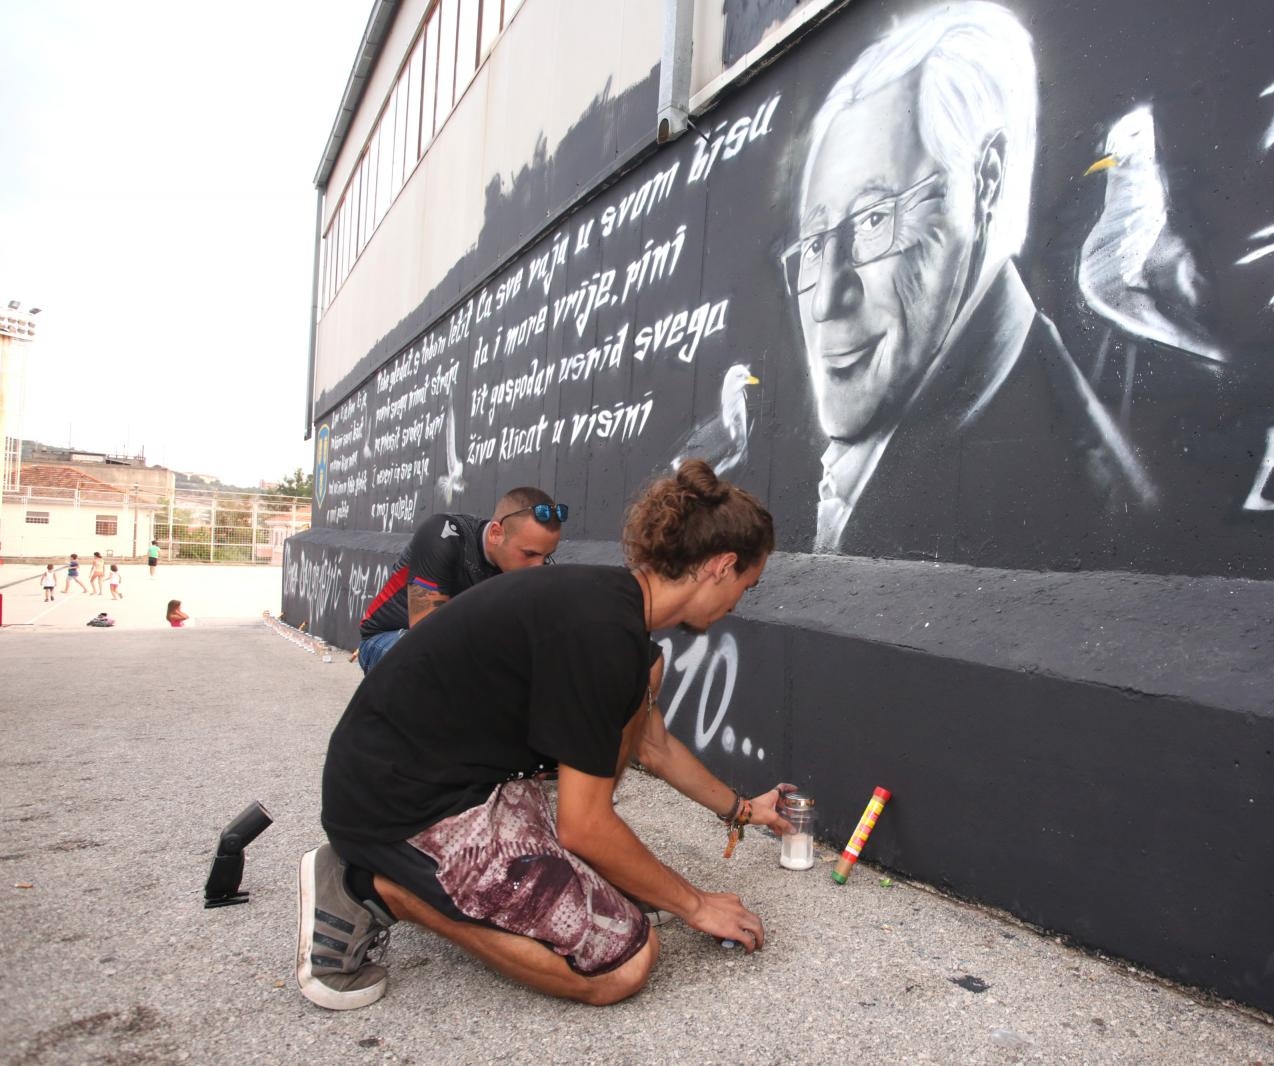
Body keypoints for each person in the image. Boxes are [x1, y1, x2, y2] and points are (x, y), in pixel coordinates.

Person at [298, 460, 783, 1011]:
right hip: (400, 803)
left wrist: (743, 810)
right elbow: (585, 827)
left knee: (626, 893)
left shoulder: (619, 620)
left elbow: (654, 745)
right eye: (748, 582)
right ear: (721, 566)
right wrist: (695, 904)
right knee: (623, 964)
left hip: (449, 777)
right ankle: (369, 888)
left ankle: (404, 873)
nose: (740, 601)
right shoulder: (603, 637)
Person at [783, 2, 1153, 564]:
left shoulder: (1052, 487)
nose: (826, 299)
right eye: (814, 246)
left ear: (986, 182)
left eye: (875, 219)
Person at [353, 486, 565, 673]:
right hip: (387, 639)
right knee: (442, 665)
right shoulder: (442, 536)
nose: (539, 567)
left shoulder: (531, 569)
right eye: (529, 554)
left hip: (458, 647)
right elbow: (426, 637)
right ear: (496, 533)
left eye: (546, 556)